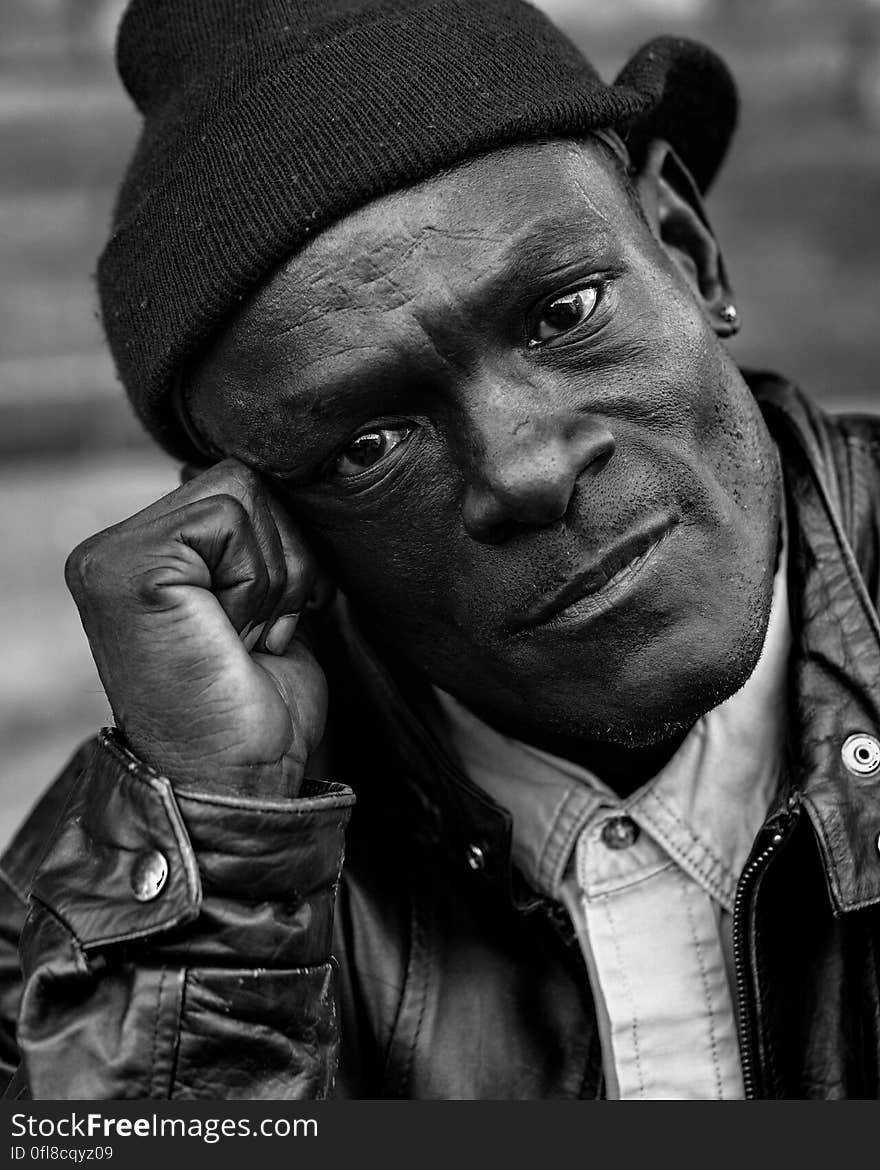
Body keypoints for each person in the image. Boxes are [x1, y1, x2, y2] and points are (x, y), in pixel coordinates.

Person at [2, 0, 880, 1101]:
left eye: (564, 314)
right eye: (368, 444)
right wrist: (225, 872)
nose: (524, 471)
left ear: (687, 251)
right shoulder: (94, 936)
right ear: (266, 532)